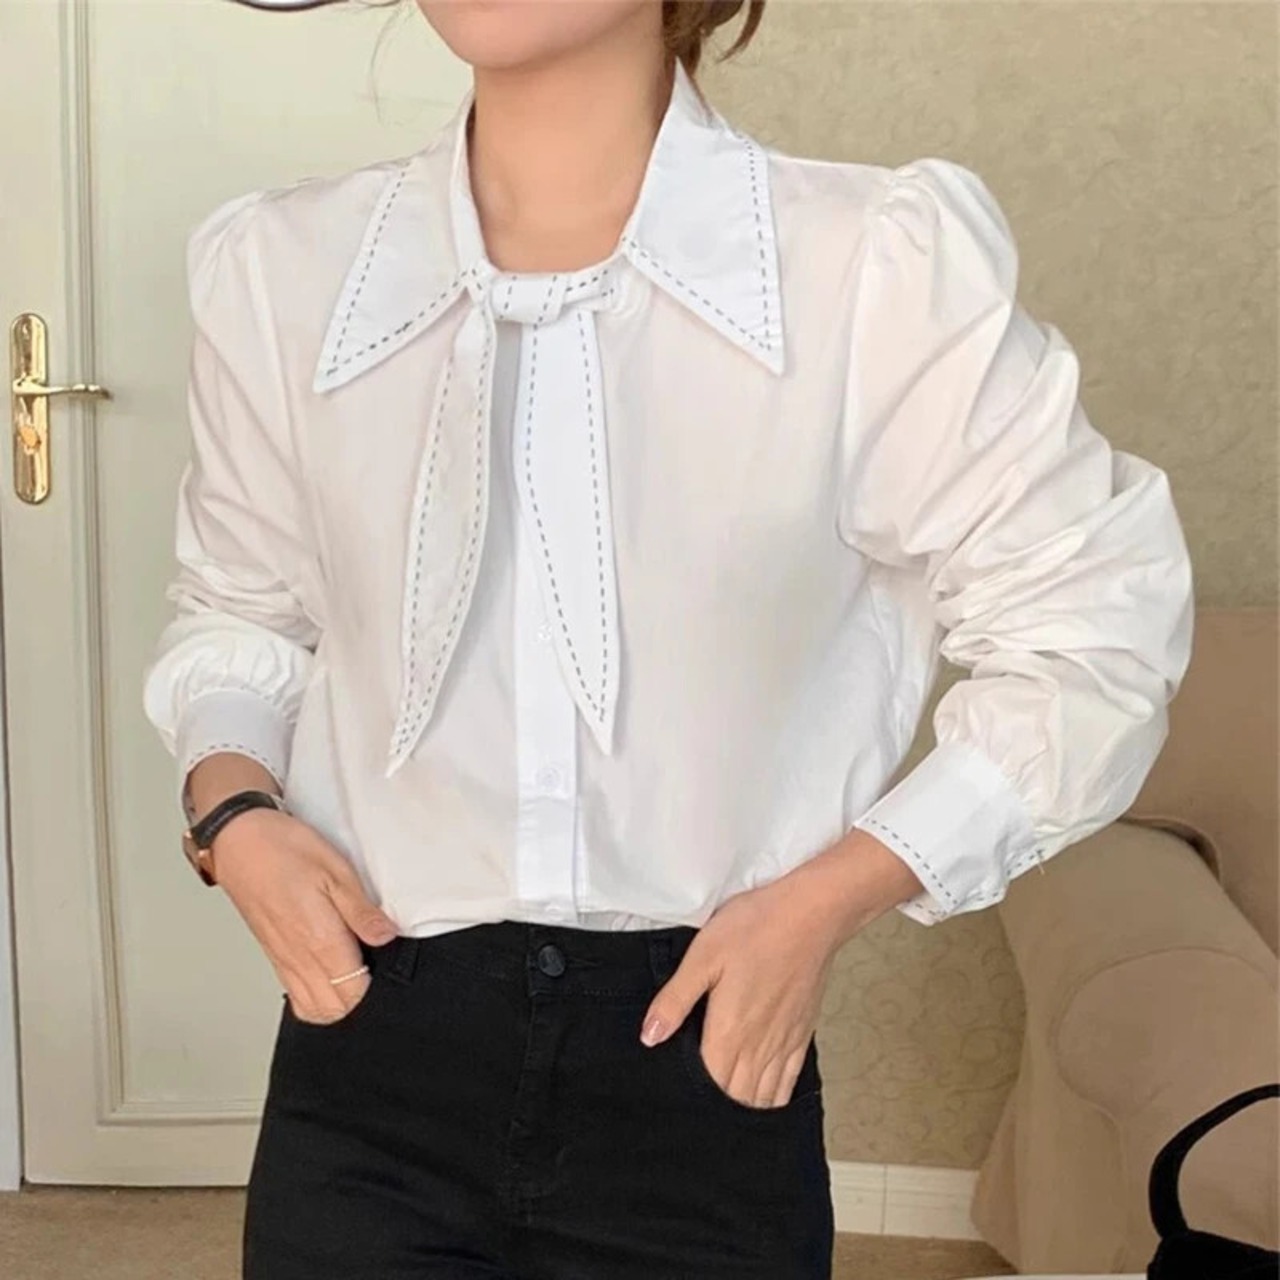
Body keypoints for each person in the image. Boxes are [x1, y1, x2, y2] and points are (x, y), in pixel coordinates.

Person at [141, 1, 1195, 1276]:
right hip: (369, 1048)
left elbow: (1092, 630)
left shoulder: (867, 269)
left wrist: (824, 899)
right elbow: (240, 606)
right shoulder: (282, 270)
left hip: (700, 1057)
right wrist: (233, 813)